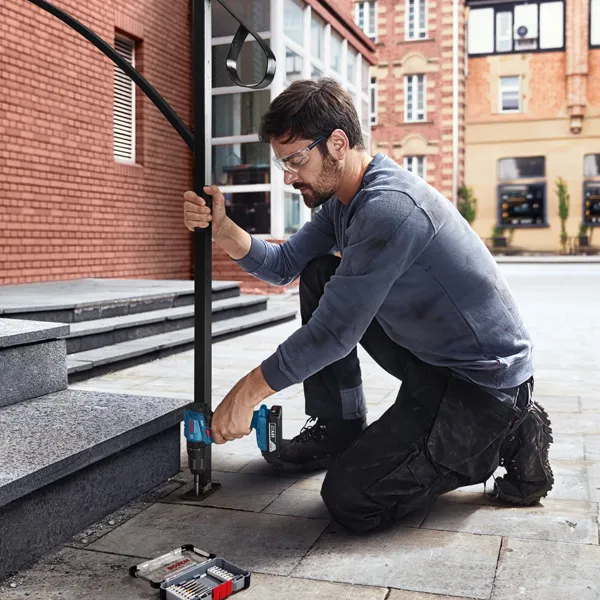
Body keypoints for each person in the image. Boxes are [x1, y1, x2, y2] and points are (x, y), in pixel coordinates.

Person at [183, 78, 553, 533]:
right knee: (321, 272)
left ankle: (505, 436)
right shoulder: (344, 203)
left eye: (296, 160)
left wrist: (248, 392)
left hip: (482, 385)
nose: (289, 176)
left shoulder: (389, 207)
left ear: (338, 143)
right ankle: (338, 426)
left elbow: (333, 334)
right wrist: (222, 229)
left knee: (351, 500)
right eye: (283, 163)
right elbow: (283, 266)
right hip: (433, 362)